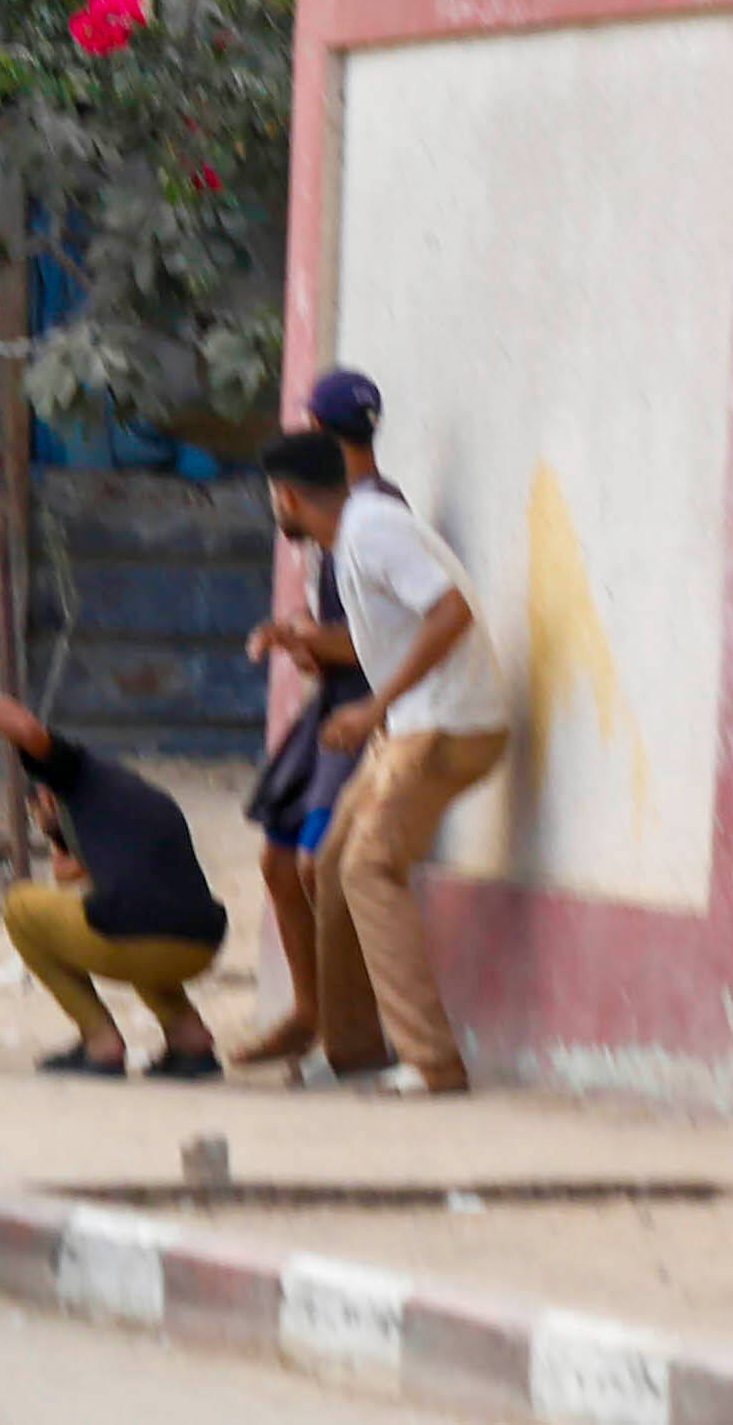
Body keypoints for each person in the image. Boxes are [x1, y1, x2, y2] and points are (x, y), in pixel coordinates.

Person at [262, 425, 512, 1095]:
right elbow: (391, 630)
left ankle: (433, 1063)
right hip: (414, 725)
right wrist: (308, 641)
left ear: (286, 495)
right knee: (331, 860)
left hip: (448, 726)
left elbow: (450, 610)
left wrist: (374, 709)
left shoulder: (371, 530)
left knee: (368, 865)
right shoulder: (353, 537)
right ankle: (355, 1053)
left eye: (273, 498)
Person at [0, 658, 229, 1078]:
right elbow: (69, 874)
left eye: (38, 813)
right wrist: (58, 838)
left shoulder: (73, 773)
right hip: (199, 943)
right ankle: (190, 1040)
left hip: (144, 936)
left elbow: (27, 729)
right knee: (125, 912)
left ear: (45, 796)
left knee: (21, 907)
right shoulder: (124, 799)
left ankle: (100, 1041)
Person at [236, 368, 387, 1066]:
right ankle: (308, 1009)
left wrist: (297, 637)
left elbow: (375, 638)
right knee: (276, 856)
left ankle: (349, 1031)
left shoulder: (370, 516)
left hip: (362, 707)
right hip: (331, 696)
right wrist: (299, 638)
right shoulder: (326, 515)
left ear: (321, 432)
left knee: (315, 863)